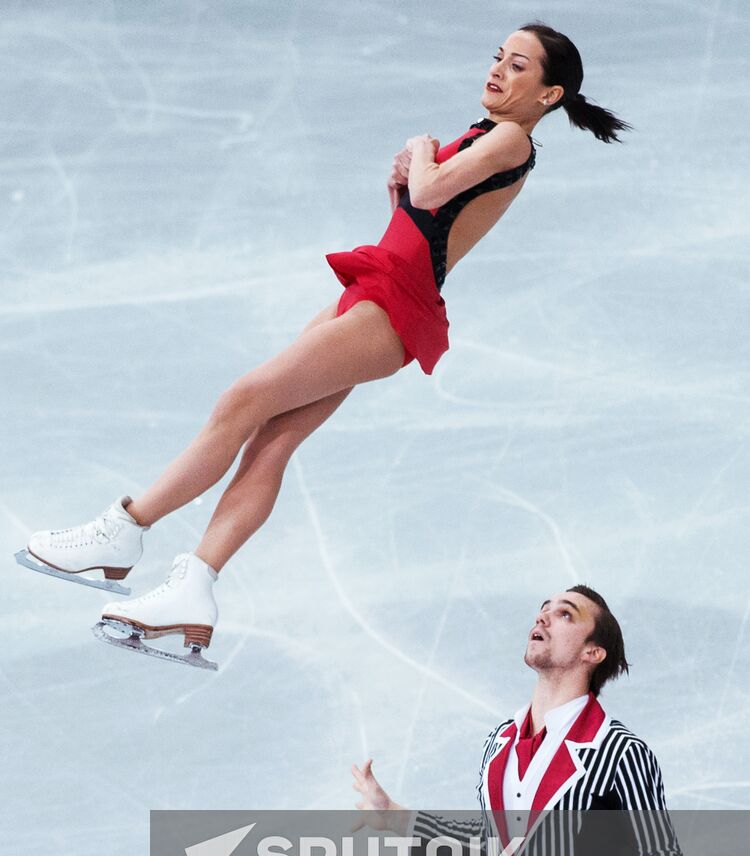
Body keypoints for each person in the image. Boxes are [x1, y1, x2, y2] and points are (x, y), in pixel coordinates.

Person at [18, 24, 630, 663]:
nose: (500, 70)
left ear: (550, 93)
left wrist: (419, 153)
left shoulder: (510, 138)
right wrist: (404, 182)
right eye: (498, 57)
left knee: (244, 398)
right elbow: (423, 209)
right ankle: (191, 592)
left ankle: (123, 531)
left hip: (394, 308)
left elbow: (429, 192)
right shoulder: (490, 134)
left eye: (520, 66)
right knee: (269, 438)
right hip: (377, 291)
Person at [352, 586, 700, 856]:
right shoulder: (499, 745)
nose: (543, 619)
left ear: (593, 652)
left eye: (565, 615)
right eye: (543, 611)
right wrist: (393, 814)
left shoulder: (619, 751)